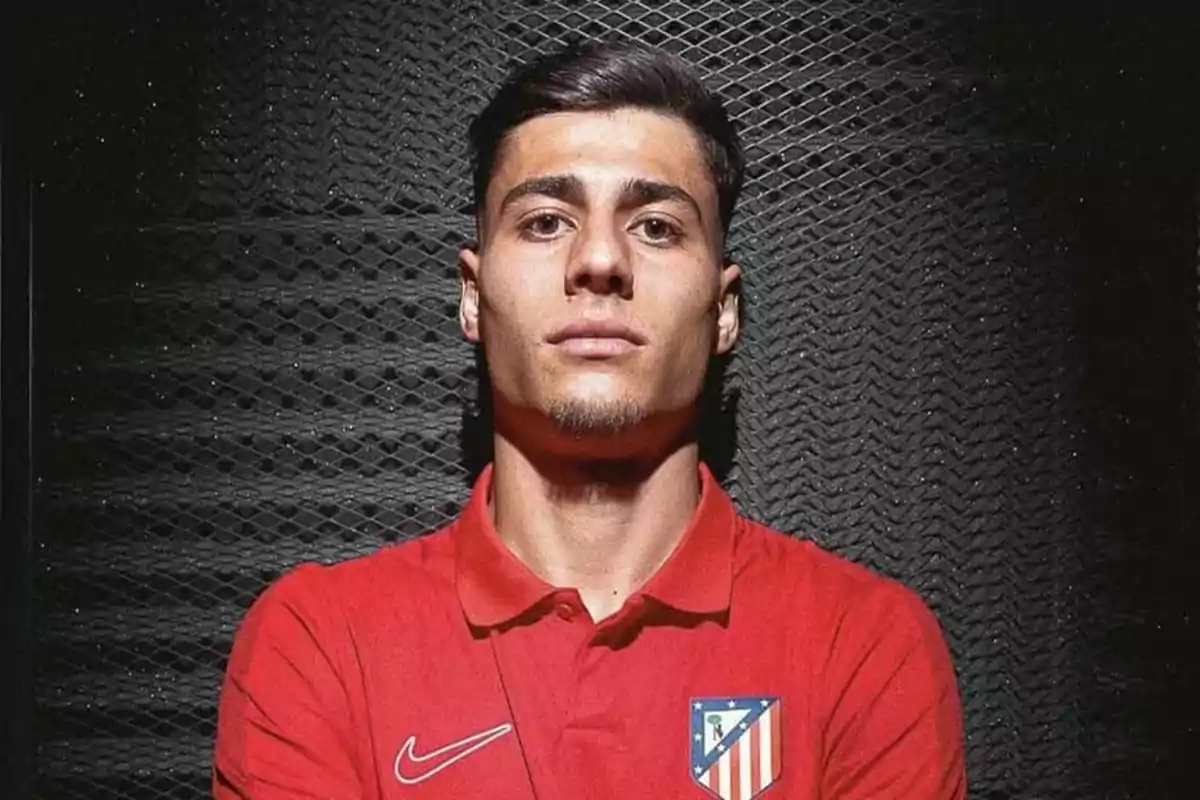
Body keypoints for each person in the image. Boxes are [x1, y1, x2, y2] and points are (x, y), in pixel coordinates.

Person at [213, 39, 966, 800]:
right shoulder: (320, 643)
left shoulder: (864, 646)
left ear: (724, 310)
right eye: (544, 221)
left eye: (658, 227)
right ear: (473, 295)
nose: (600, 258)